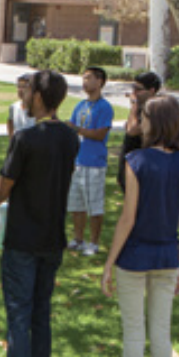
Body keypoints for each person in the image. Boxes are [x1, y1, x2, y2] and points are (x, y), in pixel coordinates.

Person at [0, 70, 80, 357]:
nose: (24, 97)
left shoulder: (26, 138)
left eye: (29, 91)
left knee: (19, 319)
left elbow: (3, 188)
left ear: (38, 96)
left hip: (22, 241)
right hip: (52, 239)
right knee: (40, 316)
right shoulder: (69, 138)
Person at [100, 96, 179, 357]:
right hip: (167, 257)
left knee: (133, 334)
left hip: (135, 256)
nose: (138, 121)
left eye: (142, 116)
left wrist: (108, 263)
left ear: (152, 122)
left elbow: (127, 218)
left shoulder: (136, 160)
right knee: (161, 333)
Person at [66, 66, 115, 257]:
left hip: (94, 162)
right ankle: (78, 239)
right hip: (77, 161)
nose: (85, 82)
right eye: (83, 78)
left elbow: (100, 133)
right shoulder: (80, 106)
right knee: (76, 203)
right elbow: (72, 129)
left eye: (89, 78)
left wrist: (76, 129)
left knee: (94, 204)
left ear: (100, 81)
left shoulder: (104, 107)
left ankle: (93, 242)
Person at [116, 72, 162, 191]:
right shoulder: (140, 108)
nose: (134, 92)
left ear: (151, 91)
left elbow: (132, 130)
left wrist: (134, 104)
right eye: (133, 88)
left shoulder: (154, 110)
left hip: (142, 168)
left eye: (138, 89)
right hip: (129, 163)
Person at [7, 74, 36, 139]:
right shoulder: (14, 107)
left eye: (24, 87)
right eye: (19, 86)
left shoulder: (38, 109)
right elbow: (10, 122)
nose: (20, 90)